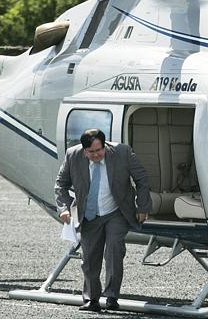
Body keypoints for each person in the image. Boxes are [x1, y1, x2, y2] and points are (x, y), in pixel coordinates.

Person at [55, 129, 152, 312]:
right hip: (90, 215)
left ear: (104, 146)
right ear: (84, 150)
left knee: (114, 249)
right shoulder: (72, 155)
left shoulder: (122, 152)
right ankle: (91, 299)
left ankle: (112, 297)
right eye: (91, 152)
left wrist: (143, 206)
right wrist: (64, 208)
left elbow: (141, 178)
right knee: (90, 258)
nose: (96, 155)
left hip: (117, 211)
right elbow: (61, 184)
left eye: (99, 150)